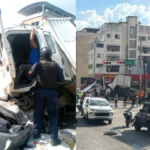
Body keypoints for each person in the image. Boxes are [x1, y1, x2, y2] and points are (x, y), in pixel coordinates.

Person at [28, 47, 64, 146]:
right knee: (53, 116)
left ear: (42, 55)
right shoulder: (56, 66)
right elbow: (61, 79)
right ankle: (54, 140)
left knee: (38, 114)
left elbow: (29, 76)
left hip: (39, 92)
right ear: (50, 55)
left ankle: (36, 135)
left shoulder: (37, 65)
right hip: (51, 94)